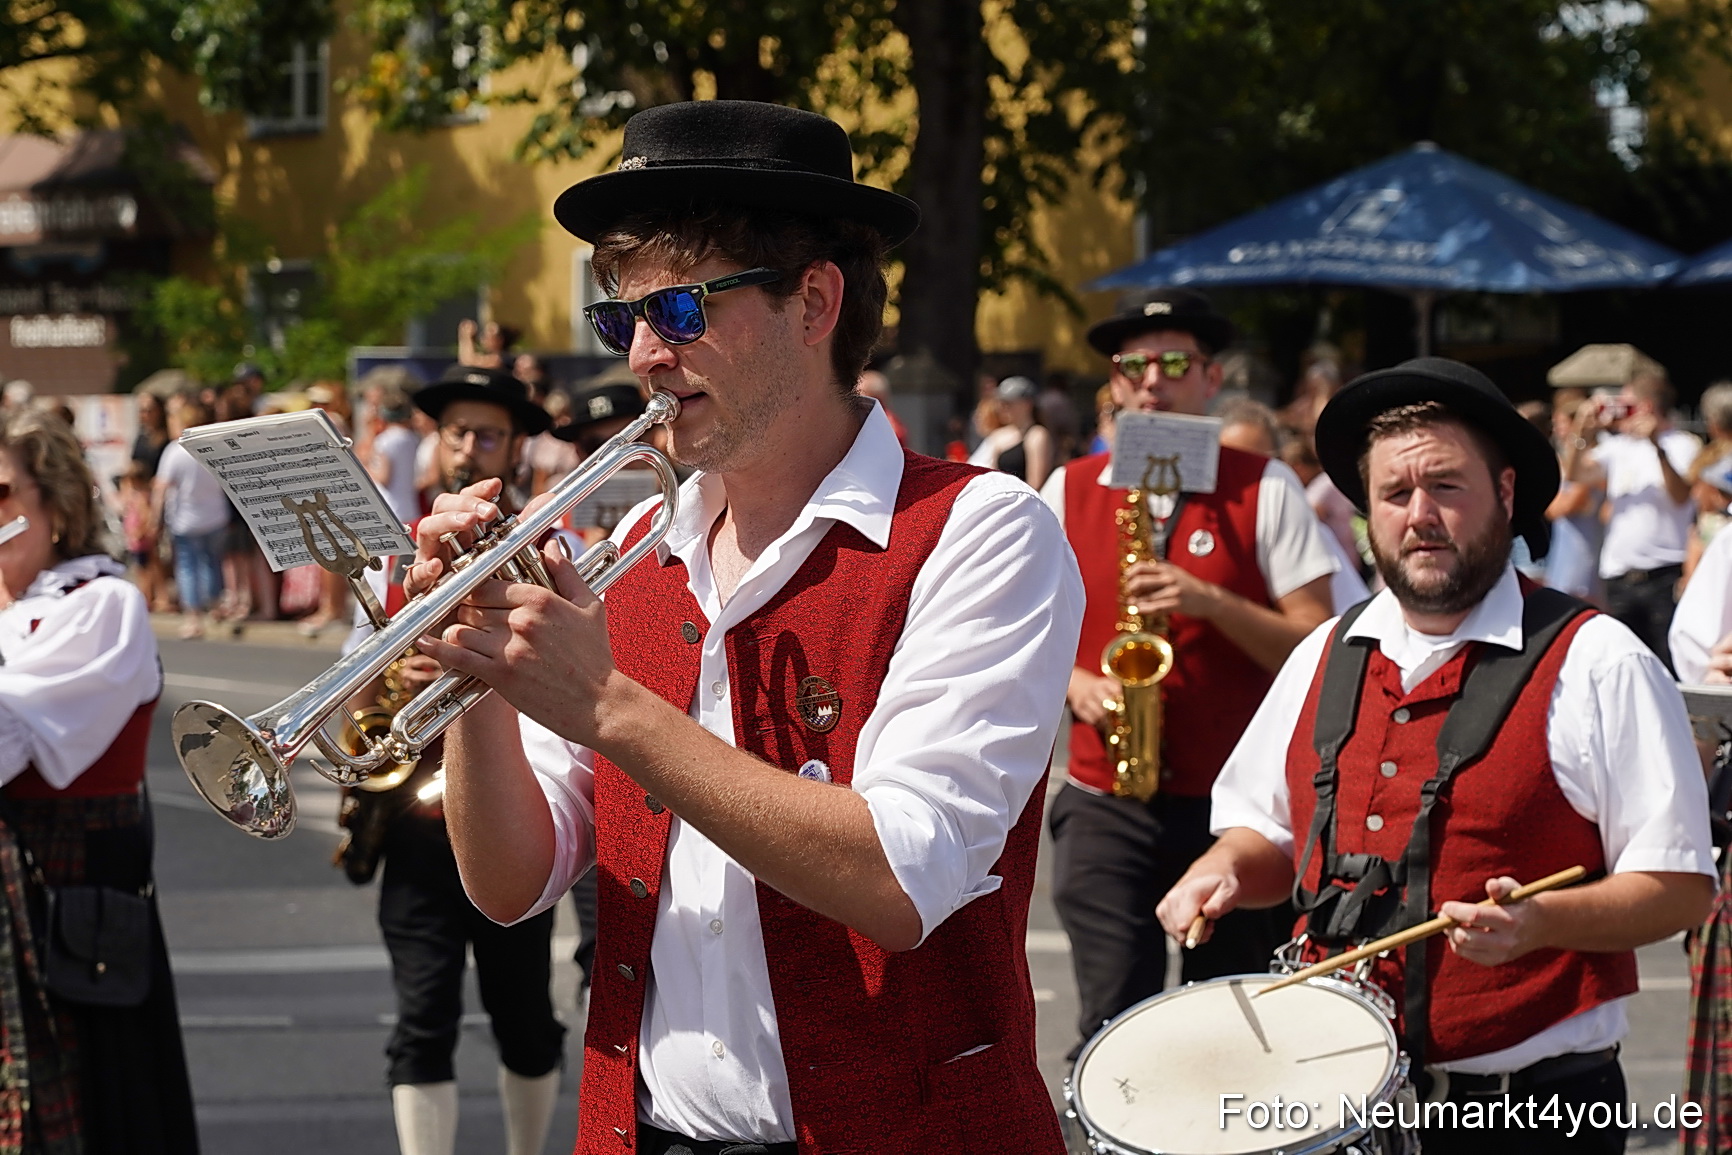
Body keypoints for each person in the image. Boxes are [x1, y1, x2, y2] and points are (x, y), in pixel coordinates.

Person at [407, 99, 1083, 1153]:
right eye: (619, 321)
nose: (640, 356)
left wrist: (605, 704)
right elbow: (507, 884)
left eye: (678, 313)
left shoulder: (980, 531)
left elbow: (899, 881)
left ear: (814, 302)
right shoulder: (638, 541)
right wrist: (475, 670)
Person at [1159, 357, 1715, 1155]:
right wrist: (1220, 872)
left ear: (1508, 495)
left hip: (1531, 1114)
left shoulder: (1600, 660)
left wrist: (1541, 921)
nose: (1420, 514)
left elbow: (1680, 888)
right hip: (1330, 1107)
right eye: (1395, 493)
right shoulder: (1325, 649)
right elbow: (1267, 837)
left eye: (1447, 487)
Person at [1039, 288, 1337, 1058]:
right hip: (1106, 797)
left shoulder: (1266, 485)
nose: (1151, 381)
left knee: (1234, 1027)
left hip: (1236, 808)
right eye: (1131, 366)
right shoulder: (1068, 489)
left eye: (1174, 363)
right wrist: (1075, 684)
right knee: (1111, 1027)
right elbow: (1022, 635)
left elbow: (1317, 644)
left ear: (1210, 378)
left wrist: (1210, 599)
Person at [339, 364, 564, 1155]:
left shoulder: (547, 545)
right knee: (420, 1014)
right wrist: (397, 672)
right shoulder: (387, 553)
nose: (471, 447)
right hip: (415, 818)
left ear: (517, 444)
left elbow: (575, 693)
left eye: (490, 433)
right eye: (458, 432)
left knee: (524, 1014)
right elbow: (348, 691)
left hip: (517, 804)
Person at [0, 407, 199, 1152]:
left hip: (63, 909)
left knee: (83, 1121)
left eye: (3, 492)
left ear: (55, 505)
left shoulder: (102, 606)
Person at [1564, 369, 1700, 670]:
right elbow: (1575, 474)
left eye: (1625, 405)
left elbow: (1681, 496)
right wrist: (1581, 432)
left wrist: (1656, 446)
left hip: (1664, 574)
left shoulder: (1683, 444)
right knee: (1624, 664)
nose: (1618, 412)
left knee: (1667, 664)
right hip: (1620, 577)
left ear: (1647, 406)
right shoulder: (1619, 447)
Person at [151, 397, 232, 638]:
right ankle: (215, 605)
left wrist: (156, 519)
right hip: (215, 515)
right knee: (211, 562)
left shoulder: (174, 451)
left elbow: (161, 488)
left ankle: (193, 617)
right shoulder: (211, 448)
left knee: (187, 567)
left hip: (185, 518)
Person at [968, 376, 1053, 488]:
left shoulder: (1037, 435)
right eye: (1001, 403)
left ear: (1027, 404)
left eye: (1009, 403)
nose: (1002, 408)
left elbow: (1036, 484)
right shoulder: (999, 435)